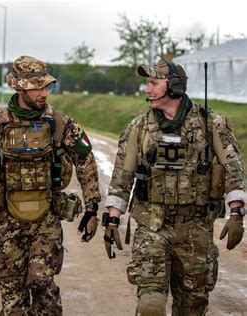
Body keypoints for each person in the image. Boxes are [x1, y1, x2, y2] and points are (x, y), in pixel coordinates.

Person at [0, 55, 101, 315]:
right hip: (7, 223)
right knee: (13, 299)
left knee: (44, 289)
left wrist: (92, 207)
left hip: (46, 221)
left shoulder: (59, 122)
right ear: (19, 87)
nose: (44, 92)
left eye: (46, 86)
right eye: (38, 87)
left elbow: (85, 159)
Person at [103, 60, 245, 315]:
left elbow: (233, 168)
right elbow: (122, 176)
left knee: (193, 304)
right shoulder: (140, 127)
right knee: (151, 303)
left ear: (176, 87)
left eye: (154, 83)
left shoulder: (210, 123)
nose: (147, 89)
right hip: (152, 225)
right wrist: (112, 219)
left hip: (196, 227)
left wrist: (237, 213)